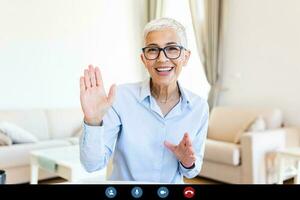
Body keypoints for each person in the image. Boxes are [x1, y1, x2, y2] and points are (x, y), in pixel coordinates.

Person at [79, 17, 209, 183]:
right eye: (153, 50)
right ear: (143, 59)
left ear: (185, 57)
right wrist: (93, 121)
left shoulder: (199, 107)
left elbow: (192, 170)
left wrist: (187, 161)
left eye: (172, 48)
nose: (162, 59)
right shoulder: (120, 98)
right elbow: (92, 165)